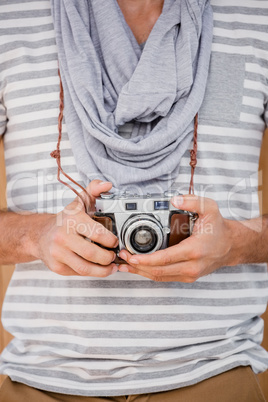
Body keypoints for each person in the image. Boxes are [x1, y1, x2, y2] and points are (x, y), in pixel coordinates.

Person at [0, 0, 267, 401]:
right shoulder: (10, 20)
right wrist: (35, 236)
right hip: (42, 377)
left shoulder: (257, 17)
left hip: (218, 368)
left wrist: (233, 243)